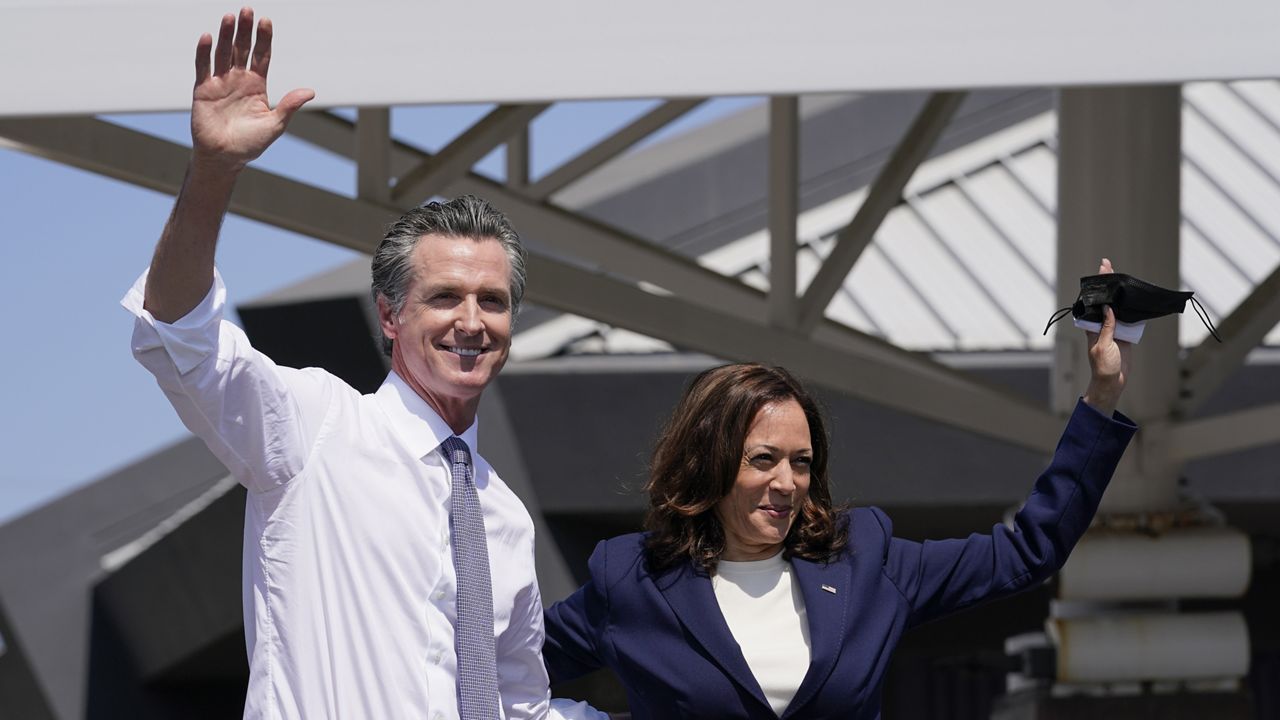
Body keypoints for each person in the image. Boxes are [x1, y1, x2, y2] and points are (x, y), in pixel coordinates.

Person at [122, 8, 600, 719]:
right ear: (389, 315)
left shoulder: (502, 515)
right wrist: (214, 171)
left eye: (492, 301)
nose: (471, 321)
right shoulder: (315, 430)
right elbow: (179, 336)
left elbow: (520, 707)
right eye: (444, 296)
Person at [543, 262, 1137, 719]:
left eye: (801, 463)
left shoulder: (864, 560)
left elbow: (1028, 551)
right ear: (711, 464)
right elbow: (502, 673)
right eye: (763, 460)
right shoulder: (631, 580)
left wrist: (1101, 399)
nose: (786, 483)